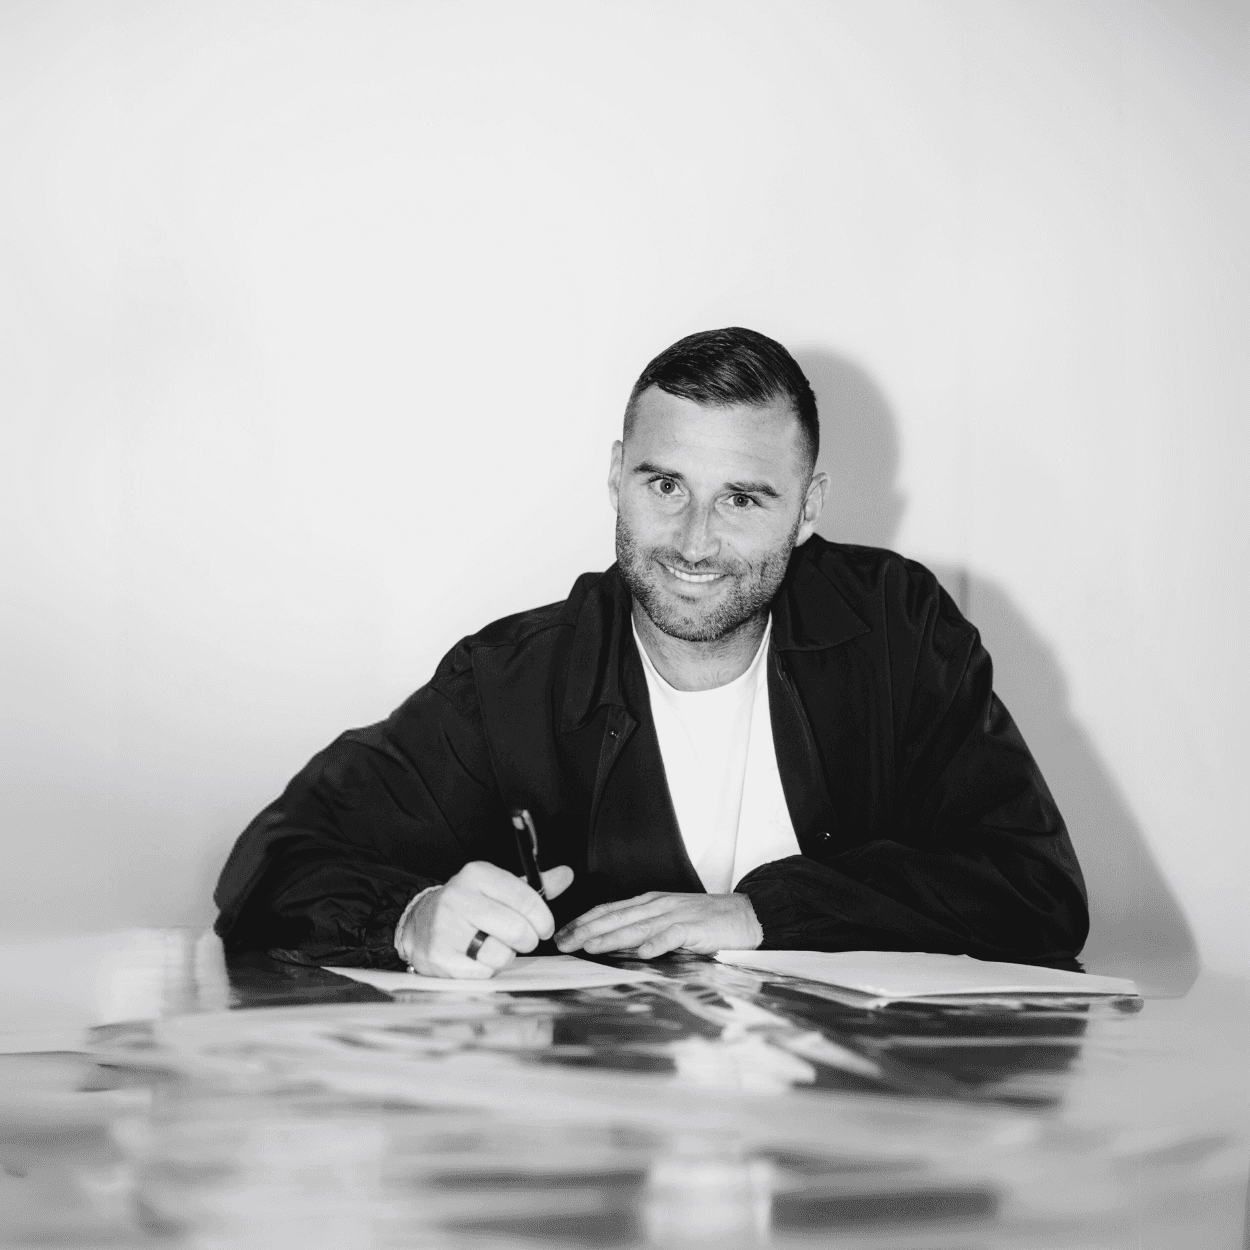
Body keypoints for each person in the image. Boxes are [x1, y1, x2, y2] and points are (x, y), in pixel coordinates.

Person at [213, 327, 1088, 978]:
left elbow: (1036, 890)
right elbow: (275, 857)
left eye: (743, 498)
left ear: (809, 508)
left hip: (848, 1166)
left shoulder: (899, 630)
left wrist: (759, 913)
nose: (694, 542)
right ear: (615, 478)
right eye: (666, 485)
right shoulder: (510, 683)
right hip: (613, 1158)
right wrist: (409, 917)